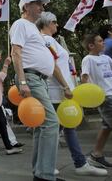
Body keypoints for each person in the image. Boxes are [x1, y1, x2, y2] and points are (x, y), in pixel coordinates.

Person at [36, 12, 107, 176]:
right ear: (47, 23)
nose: (57, 25)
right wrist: (65, 87)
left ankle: (78, 163)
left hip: (61, 91)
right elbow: (52, 66)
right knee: (54, 130)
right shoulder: (46, 40)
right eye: (54, 22)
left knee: (66, 128)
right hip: (57, 92)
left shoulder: (51, 40)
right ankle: (49, 165)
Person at [10, 0, 59, 181]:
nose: (42, 8)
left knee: (41, 125)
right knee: (51, 123)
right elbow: (16, 52)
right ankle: (45, 175)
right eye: (39, 4)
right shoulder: (20, 24)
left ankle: (40, 172)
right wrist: (22, 81)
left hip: (38, 79)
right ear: (26, 7)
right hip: (31, 78)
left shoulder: (32, 28)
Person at [81, 33, 112, 168]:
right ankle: (95, 156)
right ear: (91, 45)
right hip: (104, 98)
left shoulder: (107, 58)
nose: (103, 43)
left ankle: (96, 155)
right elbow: (84, 78)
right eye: (100, 41)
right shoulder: (88, 59)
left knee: (106, 127)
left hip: (111, 94)